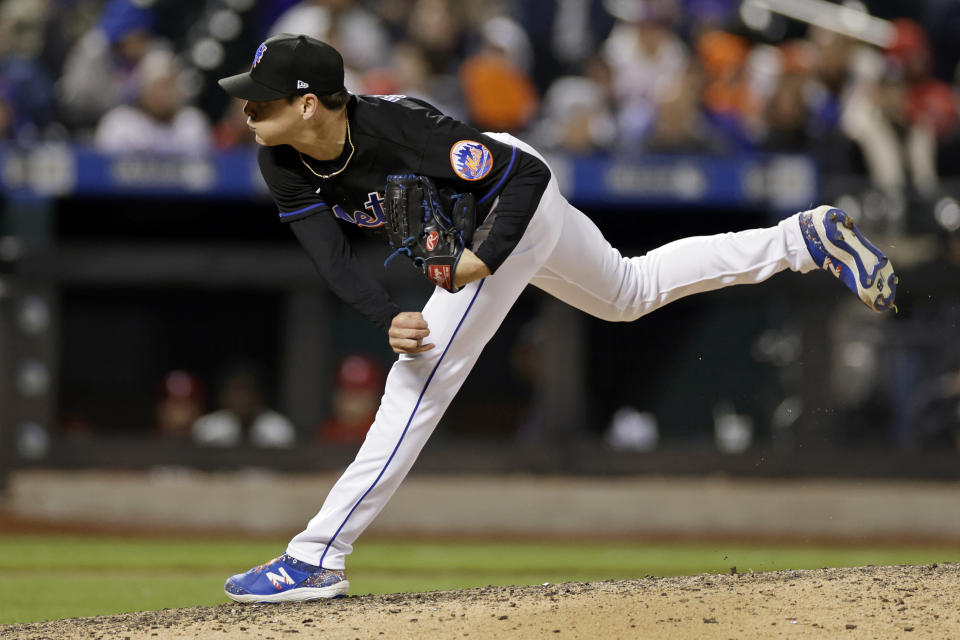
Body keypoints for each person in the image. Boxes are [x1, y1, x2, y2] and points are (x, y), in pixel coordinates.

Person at [217, 33, 897, 602]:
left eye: (260, 99)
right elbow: (331, 256)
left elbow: (524, 178)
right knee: (629, 291)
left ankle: (317, 555)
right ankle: (803, 239)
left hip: (507, 202)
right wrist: (385, 313)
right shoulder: (282, 159)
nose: (246, 109)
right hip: (489, 218)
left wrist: (482, 261)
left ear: (308, 105)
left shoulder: (400, 132)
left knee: (414, 383)